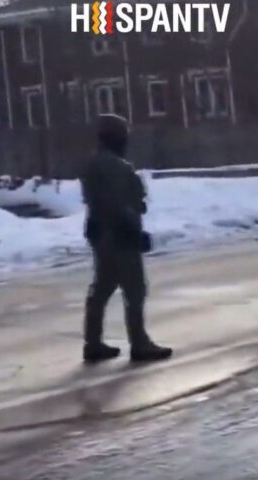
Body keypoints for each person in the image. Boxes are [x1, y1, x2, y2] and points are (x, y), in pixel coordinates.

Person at [80, 114, 172, 363]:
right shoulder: (116, 167)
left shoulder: (94, 163)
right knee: (134, 290)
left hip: (100, 232)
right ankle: (139, 343)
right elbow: (121, 203)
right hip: (120, 235)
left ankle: (93, 342)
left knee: (102, 287)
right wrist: (134, 231)